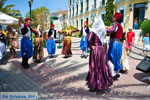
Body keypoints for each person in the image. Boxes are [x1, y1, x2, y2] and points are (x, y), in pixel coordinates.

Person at [86, 16, 113, 92]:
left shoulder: (93, 31)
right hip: (102, 49)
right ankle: (102, 82)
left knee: (95, 66)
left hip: (96, 50)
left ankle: (94, 85)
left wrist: (91, 46)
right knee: (102, 66)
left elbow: (89, 39)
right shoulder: (103, 30)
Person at [106, 13, 123, 80]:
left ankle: (112, 74)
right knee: (117, 59)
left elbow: (112, 30)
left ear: (116, 18)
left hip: (114, 44)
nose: (112, 18)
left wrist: (104, 29)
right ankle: (117, 73)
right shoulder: (121, 26)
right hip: (119, 44)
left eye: (113, 17)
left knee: (109, 59)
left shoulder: (115, 25)